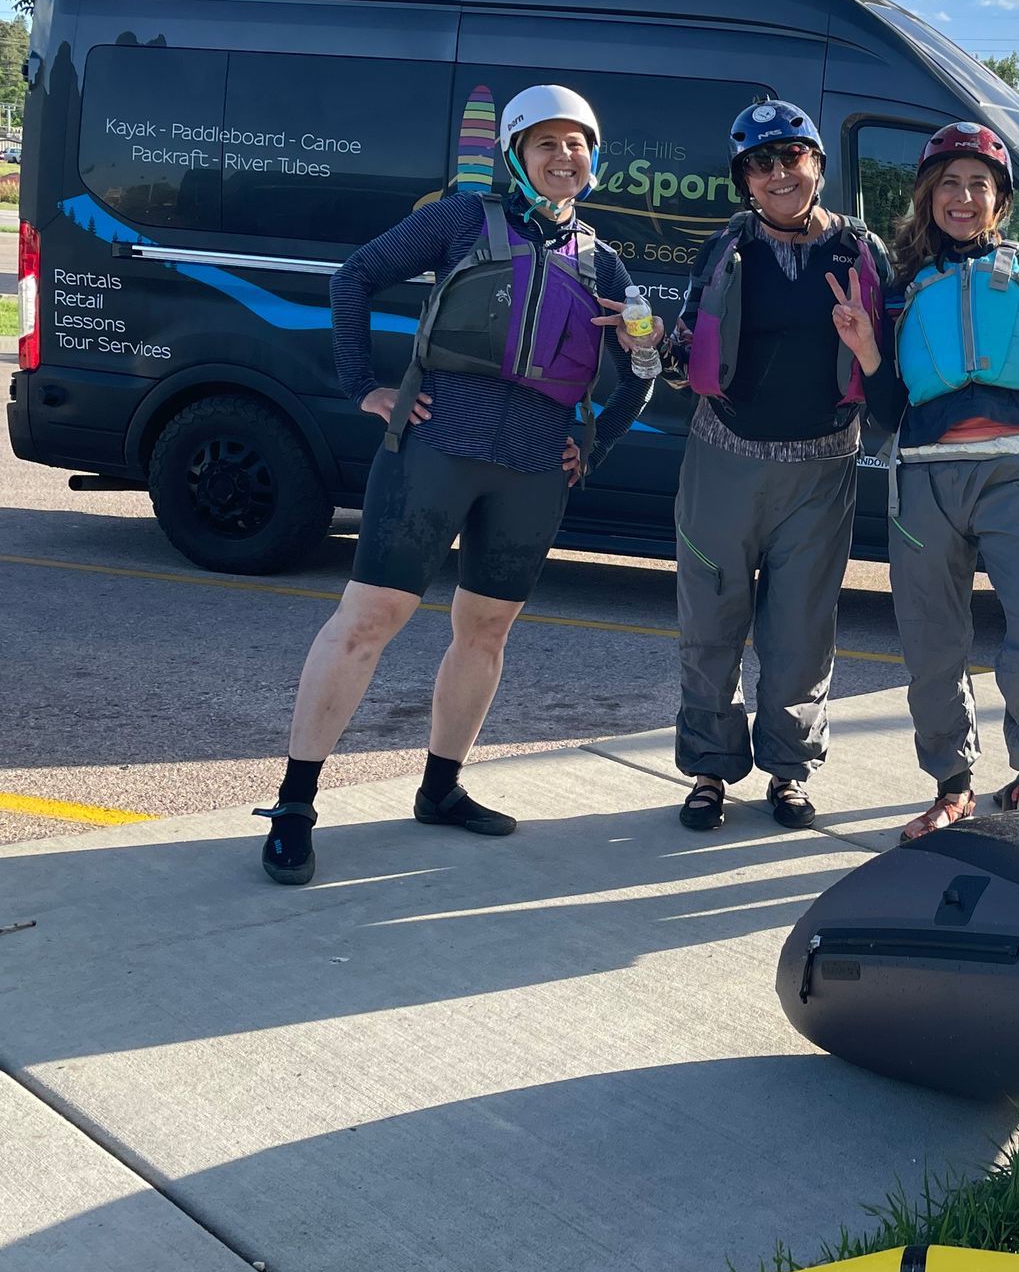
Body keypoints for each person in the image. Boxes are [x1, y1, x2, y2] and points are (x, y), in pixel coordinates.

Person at [255, 84, 657, 886]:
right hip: (436, 447)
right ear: (514, 153)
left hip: (536, 467)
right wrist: (360, 385)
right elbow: (353, 279)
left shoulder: (605, 262)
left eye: (577, 143)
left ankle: (441, 789)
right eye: (545, 143)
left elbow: (641, 373)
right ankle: (296, 802)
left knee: (485, 632)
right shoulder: (463, 220)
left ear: (595, 157)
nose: (563, 156)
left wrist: (600, 441)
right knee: (370, 620)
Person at [865, 122, 1019, 840]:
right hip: (924, 478)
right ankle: (952, 785)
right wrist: (866, 352)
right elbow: (888, 411)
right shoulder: (899, 284)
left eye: (979, 184)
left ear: (1000, 202)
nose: (964, 197)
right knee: (932, 641)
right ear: (927, 196)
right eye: (949, 183)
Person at [664, 99, 891, 832]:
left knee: (800, 632)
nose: (778, 173)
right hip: (723, 458)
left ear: (817, 165)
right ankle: (708, 770)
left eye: (791, 156)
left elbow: (891, 359)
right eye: (760, 164)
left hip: (823, 467)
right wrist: (645, 345)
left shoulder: (862, 250)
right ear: (744, 180)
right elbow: (685, 355)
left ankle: (789, 770)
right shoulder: (725, 249)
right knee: (711, 625)